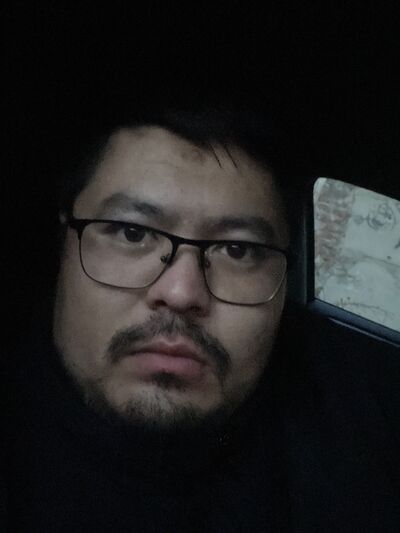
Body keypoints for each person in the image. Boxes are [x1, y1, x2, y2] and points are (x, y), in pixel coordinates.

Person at [4, 101, 399, 532]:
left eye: (238, 250)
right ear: (62, 244)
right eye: (132, 233)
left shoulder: (364, 425)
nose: (181, 293)